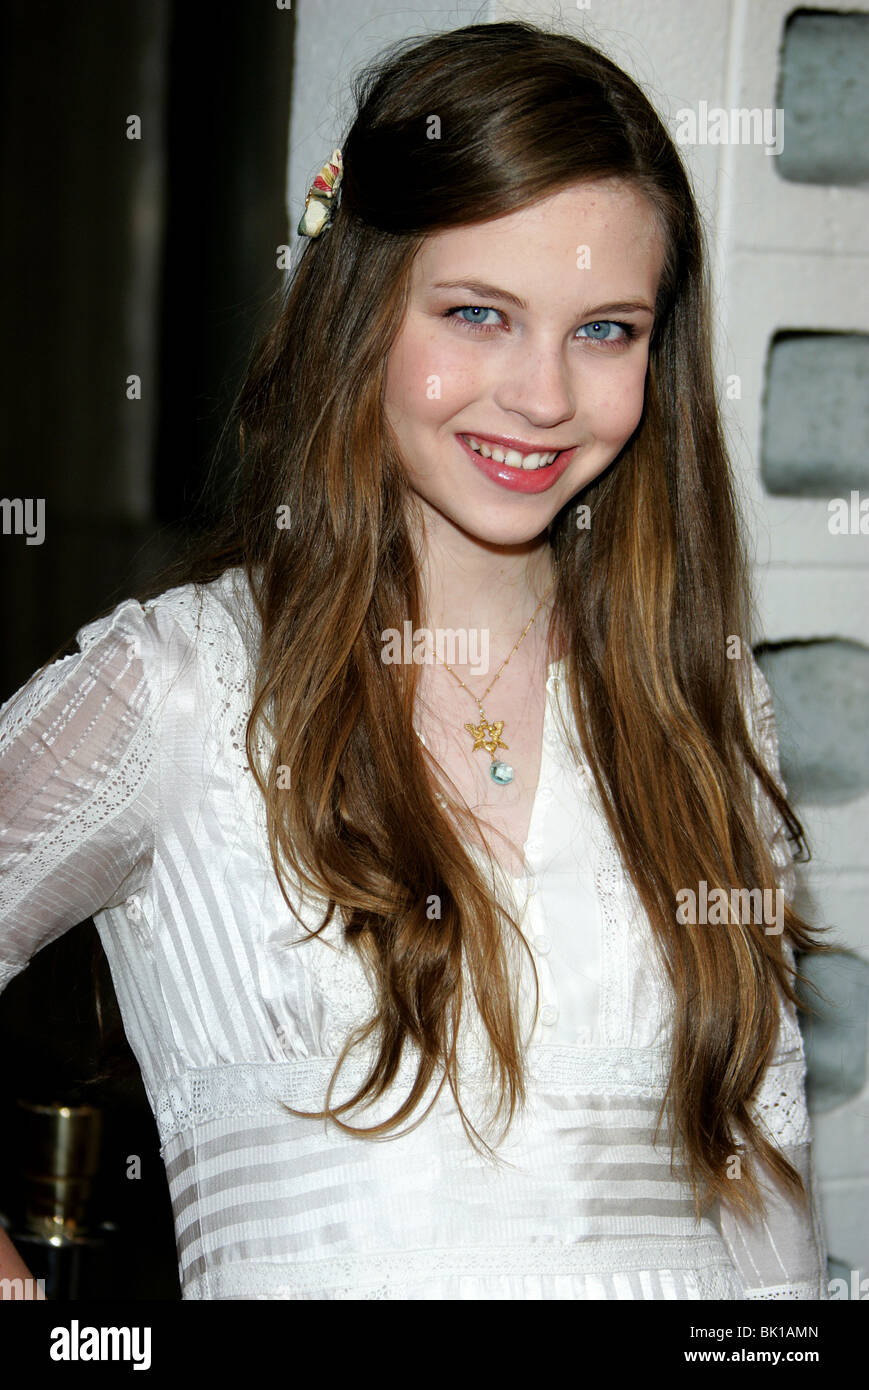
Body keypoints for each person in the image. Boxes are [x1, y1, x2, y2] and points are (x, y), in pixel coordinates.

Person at [0, 19, 830, 1300]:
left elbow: (760, 1194)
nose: (542, 395)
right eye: (478, 313)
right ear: (359, 307)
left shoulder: (699, 709)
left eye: (605, 330)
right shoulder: (181, 687)